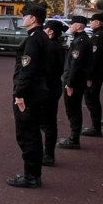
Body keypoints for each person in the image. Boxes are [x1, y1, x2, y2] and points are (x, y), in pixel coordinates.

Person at [7, 4, 49, 189]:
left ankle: (31, 176)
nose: (22, 19)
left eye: (25, 16)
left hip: (29, 94)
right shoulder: (42, 37)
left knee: (27, 135)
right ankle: (33, 174)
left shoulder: (34, 39)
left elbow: (27, 70)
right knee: (33, 134)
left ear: (33, 19)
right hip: (39, 91)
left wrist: (20, 94)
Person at [57, 15, 92, 148]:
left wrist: (70, 84)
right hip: (76, 80)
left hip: (74, 82)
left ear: (78, 25)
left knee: (73, 109)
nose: (70, 26)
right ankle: (74, 137)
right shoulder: (80, 39)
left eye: (72, 24)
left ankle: (74, 139)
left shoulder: (81, 41)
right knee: (73, 108)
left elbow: (76, 65)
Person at [42, 20, 66, 165]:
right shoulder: (58, 46)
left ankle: (48, 155)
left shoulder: (50, 47)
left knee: (48, 123)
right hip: (53, 87)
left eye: (45, 29)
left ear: (50, 31)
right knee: (48, 122)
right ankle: (48, 153)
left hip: (48, 88)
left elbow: (47, 70)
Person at [83, 12, 103, 136]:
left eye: (92, 21)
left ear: (98, 22)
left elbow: (94, 58)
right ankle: (96, 126)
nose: (90, 23)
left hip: (94, 75)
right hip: (98, 73)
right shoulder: (102, 34)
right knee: (93, 100)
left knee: (92, 100)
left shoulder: (98, 36)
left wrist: (89, 76)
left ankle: (96, 128)